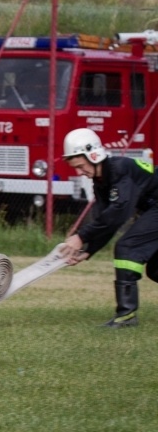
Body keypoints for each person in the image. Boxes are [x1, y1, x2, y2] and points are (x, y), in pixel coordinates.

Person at [60, 127, 158, 328]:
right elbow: (105, 221)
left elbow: (119, 214)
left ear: (93, 155)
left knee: (127, 248)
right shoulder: (101, 181)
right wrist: (88, 250)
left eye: (80, 166)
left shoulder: (119, 170)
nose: (80, 173)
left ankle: (126, 316)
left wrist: (80, 236)